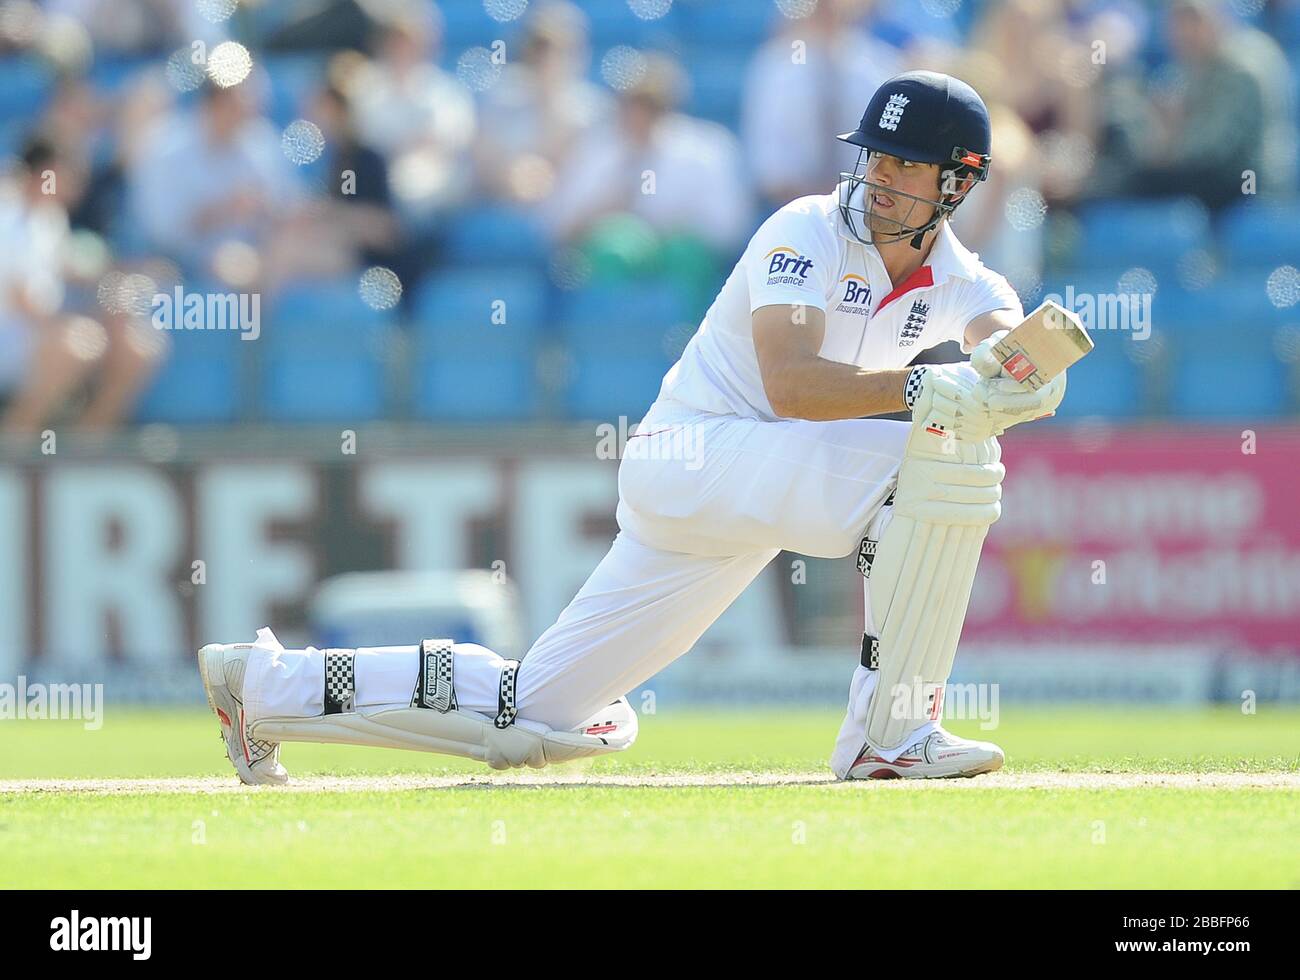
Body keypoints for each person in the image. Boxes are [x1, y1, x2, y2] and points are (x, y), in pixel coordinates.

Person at [197, 72, 1067, 784]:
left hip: (736, 497)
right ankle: (892, 731)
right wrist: (935, 392)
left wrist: (1017, 383)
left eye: (905, 166)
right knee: (944, 459)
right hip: (694, 456)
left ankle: (263, 687)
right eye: (875, 154)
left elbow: (1007, 355)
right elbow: (795, 385)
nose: (878, 176)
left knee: (530, 717)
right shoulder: (805, 229)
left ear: (956, 183)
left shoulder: (966, 278)